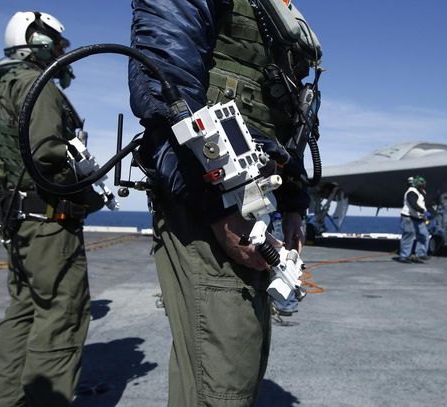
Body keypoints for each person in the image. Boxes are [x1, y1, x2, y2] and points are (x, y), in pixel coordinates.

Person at [128, 1, 321, 405]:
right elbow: (168, 85)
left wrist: (293, 202)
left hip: (253, 206)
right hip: (213, 208)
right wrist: (221, 209)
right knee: (222, 385)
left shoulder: (271, 10)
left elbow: (286, 118)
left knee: (238, 368)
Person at [0, 11, 104, 406]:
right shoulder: (37, 85)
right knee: (62, 315)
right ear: (37, 40)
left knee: (23, 311)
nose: (61, 50)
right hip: (48, 223)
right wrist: (87, 185)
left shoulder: (2, 85)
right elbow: (47, 152)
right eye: (55, 42)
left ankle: (6, 399)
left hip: (16, 220)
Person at [398, 176, 430, 263]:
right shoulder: (411, 192)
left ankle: (420, 254)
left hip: (418, 218)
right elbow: (413, 204)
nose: (423, 187)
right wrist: (423, 211)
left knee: (424, 235)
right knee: (408, 236)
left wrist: (424, 215)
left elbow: (421, 203)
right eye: (421, 185)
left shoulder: (420, 192)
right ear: (416, 185)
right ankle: (404, 257)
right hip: (408, 217)